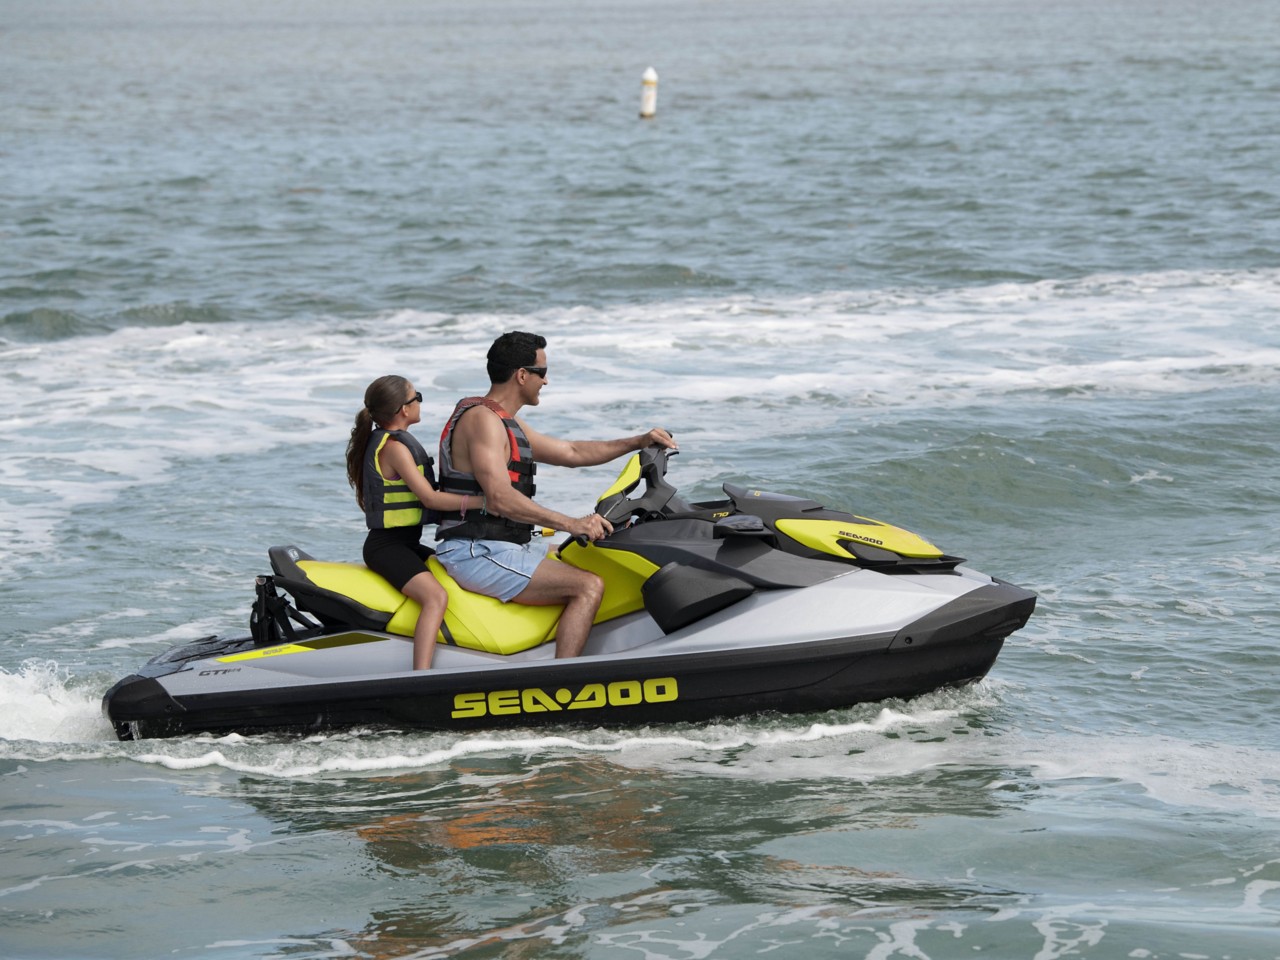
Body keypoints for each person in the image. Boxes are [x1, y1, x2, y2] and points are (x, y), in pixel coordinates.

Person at [433, 331, 677, 658]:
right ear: (522, 375)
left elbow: (572, 452)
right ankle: (562, 682)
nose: (546, 382)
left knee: (589, 556)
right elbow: (500, 497)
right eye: (542, 373)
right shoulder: (483, 421)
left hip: (504, 544)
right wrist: (572, 523)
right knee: (587, 586)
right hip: (476, 550)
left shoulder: (503, 421)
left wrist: (638, 441)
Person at [346, 375, 467, 671]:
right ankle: (421, 675)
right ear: (403, 409)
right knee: (435, 597)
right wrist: (486, 502)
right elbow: (431, 499)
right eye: (417, 397)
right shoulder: (394, 448)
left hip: (406, 544)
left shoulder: (392, 442)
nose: (419, 403)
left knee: (455, 572)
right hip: (386, 547)